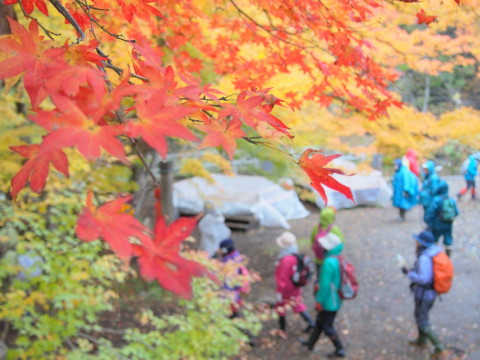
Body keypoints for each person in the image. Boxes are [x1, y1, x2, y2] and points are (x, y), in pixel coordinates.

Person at [299, 233, 345, 358]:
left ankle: (339, 349)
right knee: (320, 322)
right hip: (336, 299)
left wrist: (319, 301)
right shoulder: (338, 258)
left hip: (329, 301)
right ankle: (310, 343)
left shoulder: (328, 262)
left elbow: (324, 285)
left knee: (326, 325)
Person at [401, 231, 445, 359]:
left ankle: (439, 347)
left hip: (424, 294)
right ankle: (421, 340)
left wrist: (408, 273)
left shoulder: (424, 258)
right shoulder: (433, 252)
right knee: (420, 315)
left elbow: (424, 278)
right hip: (430, 293)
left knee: (422, 320)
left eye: (418, 241)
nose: (415, 243)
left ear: (422, 244)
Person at [274, 231, 315, 333]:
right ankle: (310, 323)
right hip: (295, 286)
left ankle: (282, 328)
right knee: (297, 304)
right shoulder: (294, 254)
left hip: (286, 288)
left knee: (281, 307)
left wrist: (279, 291)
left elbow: (282, 278)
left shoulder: (285, 259)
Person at [424, 180, 459, 257]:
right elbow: (456, 212)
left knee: (435, 240)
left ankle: (435, 256)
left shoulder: (437, 199)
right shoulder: (451, 200)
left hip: (437, 224)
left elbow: (431, 212)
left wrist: (427, 221)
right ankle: (448, 256)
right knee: (448, 240)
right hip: (448, 224)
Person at [218, 238, 250, 318]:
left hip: (231, 293)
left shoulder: (229, 263)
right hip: (235, 292)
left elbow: (229, 282)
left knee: (231, 313)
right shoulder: (236, 256)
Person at [310, 207, 344, 276]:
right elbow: (341, 243)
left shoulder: (316, 228)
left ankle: (318, 284)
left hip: (319, 259)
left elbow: (312, 241)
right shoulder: (334, 229)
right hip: (331, 259)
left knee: (320, 275)